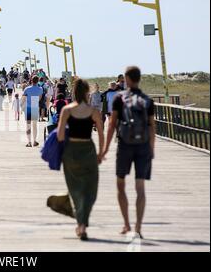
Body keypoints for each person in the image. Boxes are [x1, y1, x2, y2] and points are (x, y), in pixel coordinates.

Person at [103, 66, 156, 239]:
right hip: (143, 146)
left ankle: (126, 223)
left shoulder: (120, 98)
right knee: (140, 187)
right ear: (139, 78)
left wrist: (105, 149)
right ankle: (138, 227)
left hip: (124, 144)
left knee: (121, 184)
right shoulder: (147, 100)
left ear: (126, 79)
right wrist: (151, 149)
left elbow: (112, 125)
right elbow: (151, 127)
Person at [57, 79, 105, 241]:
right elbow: (100, 133)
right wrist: (101, 152)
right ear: (87, 93)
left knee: (75, 189)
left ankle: (81, 224)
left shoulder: (66, 110)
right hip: (88, 150)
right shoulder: (93, 112)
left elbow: (60, 136)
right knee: (90, 188)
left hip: (70, 151)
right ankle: (83, 223)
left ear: (73, 92)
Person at [22, 76, 44, 147]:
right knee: (34, 125)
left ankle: (29, 142)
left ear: (31, 80)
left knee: (28, 126)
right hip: (35, 107)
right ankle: (34, 141)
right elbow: (40, 98)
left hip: (28, 108)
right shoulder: (40, 89)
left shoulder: (27, 89)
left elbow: (23, 98)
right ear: (38, 81)